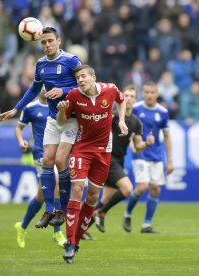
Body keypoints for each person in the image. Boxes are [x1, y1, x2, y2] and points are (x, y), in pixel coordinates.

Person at [0, 27, 81, 228]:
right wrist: (15, 109)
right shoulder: (41, 64)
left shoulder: (71, 60)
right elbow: (34, 89)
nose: (47, 45)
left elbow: (85, 85)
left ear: (59, 40)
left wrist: (64, 90)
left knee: (61, 161)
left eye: (50, 41)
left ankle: (62, 209)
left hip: (71, 118)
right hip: (53, 118)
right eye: (43, 42)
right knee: (47, 161)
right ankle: (49, 211)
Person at [56, 64, 128, 264]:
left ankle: (77, 241)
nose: (80, 80)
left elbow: (121, 100)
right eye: (78, 77)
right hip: (82, 148)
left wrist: (121, 120)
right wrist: (62, 111)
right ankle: (69, 241)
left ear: (93, 77)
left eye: (84, 76)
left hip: (103, 152)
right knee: (77, 189)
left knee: (93, 196)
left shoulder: (110, 89)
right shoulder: (73, 96)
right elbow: (61, 122)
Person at [91, 85, 155, 233]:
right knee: (127, 188)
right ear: (121, 98)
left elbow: (138, 146)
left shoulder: (136, 122)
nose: (129, 98)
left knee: (106, 199)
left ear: (135, 99)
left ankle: (82, 228)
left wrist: (147, 143)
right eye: (126, 95)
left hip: (118, 160)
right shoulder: (112, 116)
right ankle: (101, 213)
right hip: (107, 158)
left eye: (132, 96)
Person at [14, 87, 66, 248]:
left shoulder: (59, 106)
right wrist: (21, 141)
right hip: (40, 153)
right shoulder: (30, 108)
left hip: (58, 152)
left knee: (41, 195)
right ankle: (57, 231)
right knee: (56, 182)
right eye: (43, 87)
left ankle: (21, 227)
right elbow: (18, 127)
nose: (45, 90)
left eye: (48, 87)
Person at [123, 81, 174, 234]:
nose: (150, 95)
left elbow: (166, 136)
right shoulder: (136, 109)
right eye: (147, 92)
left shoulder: (163, 112)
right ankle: (128, 214)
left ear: (157, 94)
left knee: (156, 190)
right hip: (140, 153)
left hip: (156, 155)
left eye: (152, 92)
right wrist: (132, 145)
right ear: (143, 94)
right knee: (142, 187)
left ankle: (146, 225)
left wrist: (170, 159)